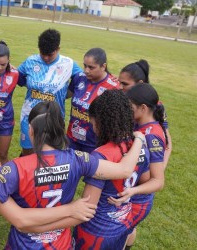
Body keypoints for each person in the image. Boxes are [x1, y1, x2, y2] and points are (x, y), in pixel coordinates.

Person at [0, 101, 146, 249]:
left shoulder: (14, 169)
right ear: (60, 130)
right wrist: (139, 139)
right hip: (59, 243)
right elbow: (125, 170)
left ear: (31, 131)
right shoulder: (80, 159)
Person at [73, 89, 150, 249]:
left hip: (95, 231)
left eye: (93, 124)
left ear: (102, 122)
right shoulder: (140, 147)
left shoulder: (101, 156)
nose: (93, 129)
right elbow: (145, 181)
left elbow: (88, 207)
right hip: (121, 225)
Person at [108, 83, 168, 250]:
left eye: (130, 107)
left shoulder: (152, 136)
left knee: (116, 239)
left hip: (136, 201)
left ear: (143, 108)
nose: (127, 111)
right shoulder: (138, 124)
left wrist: (133, 191)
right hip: (127, 195)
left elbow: (157, 181)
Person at [17, 28, 83, 156]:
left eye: (50, 54)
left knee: (50, 156)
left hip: (54, 119)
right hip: (29, 117)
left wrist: (67, 93)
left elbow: (82, 81)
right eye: (43, 53)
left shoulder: (68, 64)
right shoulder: (30, 61)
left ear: (58, 49)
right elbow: (15, 77)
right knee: (28, 154)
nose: (46, 58)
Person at [118, 59, 172, 169]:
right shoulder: (120, 99)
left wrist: (158, 173)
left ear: (140, 84)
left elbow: (167, 143)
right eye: (119, 82)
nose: (119, 87)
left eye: (125, 84)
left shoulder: (155, 106)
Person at [67, 47, 120, 153]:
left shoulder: (114, 87)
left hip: (94, 145)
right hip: (71, 140)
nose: (86, 70)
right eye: (85, 66)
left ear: (103, 66)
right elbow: (65, 95)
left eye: (91, 67)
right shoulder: (79, 78)